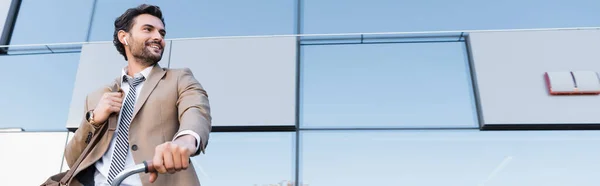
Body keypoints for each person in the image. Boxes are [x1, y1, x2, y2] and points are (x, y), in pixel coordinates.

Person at [64, 4, 211, 186]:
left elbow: (196, 110)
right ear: (124, 37)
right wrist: (94, 120)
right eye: (148, 29)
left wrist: (185, 141)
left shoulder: (180, 78)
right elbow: (73, 160)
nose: (158, 37)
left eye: (162, 33)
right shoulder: (98, 97)